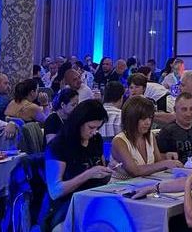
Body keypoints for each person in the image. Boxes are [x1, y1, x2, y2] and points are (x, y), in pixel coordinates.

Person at [40, 100, 114, 231]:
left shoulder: (95, 140)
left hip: (94, 200)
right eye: (91, 127)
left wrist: (108, 170)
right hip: (66, 206)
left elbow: (101, 168)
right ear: (79, 123)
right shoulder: (59, 145)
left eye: (97, 128)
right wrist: (88, 174)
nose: (94, 132)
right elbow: (55, 191)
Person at [111, 96, 181, 177]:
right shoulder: (119, 141)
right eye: (143, 118)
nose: (148, 122)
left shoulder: (150, 136)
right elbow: (134, 171)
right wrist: (165, 163)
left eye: (150, 118)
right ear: (131, 118)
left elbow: (158, 163)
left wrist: (167, 158)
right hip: (121, 184)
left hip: (147, 182)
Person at [156, 92, 192, 163]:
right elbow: (157, 157)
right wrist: (166, 156)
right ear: (175, 110)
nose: (188, 114)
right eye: (184, 109)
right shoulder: (167, 132)